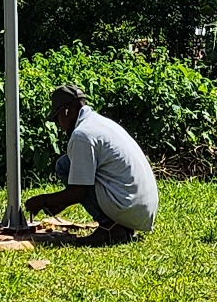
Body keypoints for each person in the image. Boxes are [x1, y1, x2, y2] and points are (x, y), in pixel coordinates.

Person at [24, 82, 159, 246]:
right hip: (140, 207)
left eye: (56, 118)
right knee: (65, 164)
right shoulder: (99, 123)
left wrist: (43, 200)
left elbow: (79, 191)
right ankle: (118, 225)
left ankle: (111, 228)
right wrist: (61, 202)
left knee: (67, 169)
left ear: (66, 111)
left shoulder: (83, 135)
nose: (58, 125)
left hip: (129, 206)